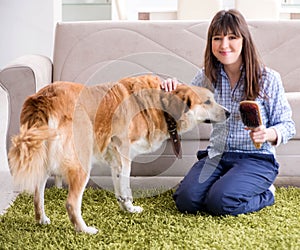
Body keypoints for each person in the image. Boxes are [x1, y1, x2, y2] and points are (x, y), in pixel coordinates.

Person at [161, 9, 296, 216]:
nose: (224, 45)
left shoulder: (268, 78)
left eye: (232, 37)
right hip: (217, 156)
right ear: (211, 43)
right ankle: (222, 185)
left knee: (221, 203)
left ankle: (267, 193)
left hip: (256, 158)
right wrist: (173, 88)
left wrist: (267, 134)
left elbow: (288, 126)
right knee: (186, 200)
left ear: (244, 40)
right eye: (217, 38)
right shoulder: (206, 76)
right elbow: (187, 107)